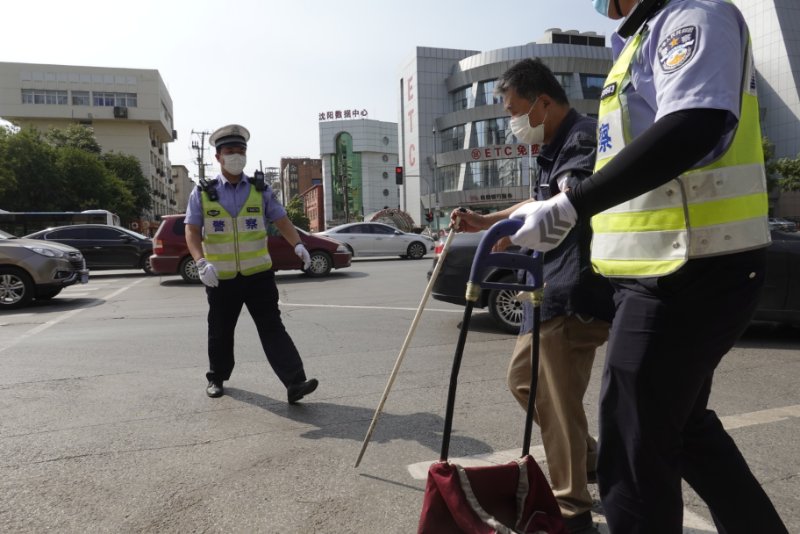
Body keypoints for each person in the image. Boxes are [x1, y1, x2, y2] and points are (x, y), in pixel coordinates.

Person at [508, 1, 788, 532]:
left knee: (632, 444)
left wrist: (572, 205)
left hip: (690, 265)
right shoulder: (635, 42)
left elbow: (696, 123)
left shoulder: (693, 16)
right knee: (684, 431)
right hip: (664, 269)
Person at [451, 58, 614, 534]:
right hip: (549, 290)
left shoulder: (581, 138)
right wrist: (490, 221)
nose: (511, 122)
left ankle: (572, 509)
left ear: (543, 102)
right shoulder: (553, 147)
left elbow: (567, 198)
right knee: (525, 381)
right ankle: (588, 459)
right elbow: (536, 201)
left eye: (514, 109)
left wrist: (512, 230)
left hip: (573, 291)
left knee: (556, 402)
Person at [185, 124, 319, 404]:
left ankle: (295, 382)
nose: (237, 157)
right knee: (220, 329)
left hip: (258, 275)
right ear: (218, 157)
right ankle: (216, 378)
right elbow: (192, 230)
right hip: (220, 277)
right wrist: (200, 262)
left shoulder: (260, 189)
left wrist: (298, 244)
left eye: (241, 151)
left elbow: (281, 220)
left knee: (273, 327)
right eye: (230, 152)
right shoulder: (203, 191)